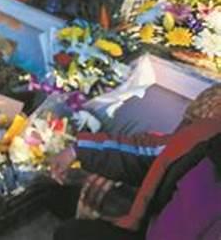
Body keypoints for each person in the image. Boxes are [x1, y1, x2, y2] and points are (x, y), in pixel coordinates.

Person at [50, 84, 221, 240]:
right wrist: (79, 150)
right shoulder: (206, 134)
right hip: (149, 228)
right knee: (71, 230)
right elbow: (151, 150)